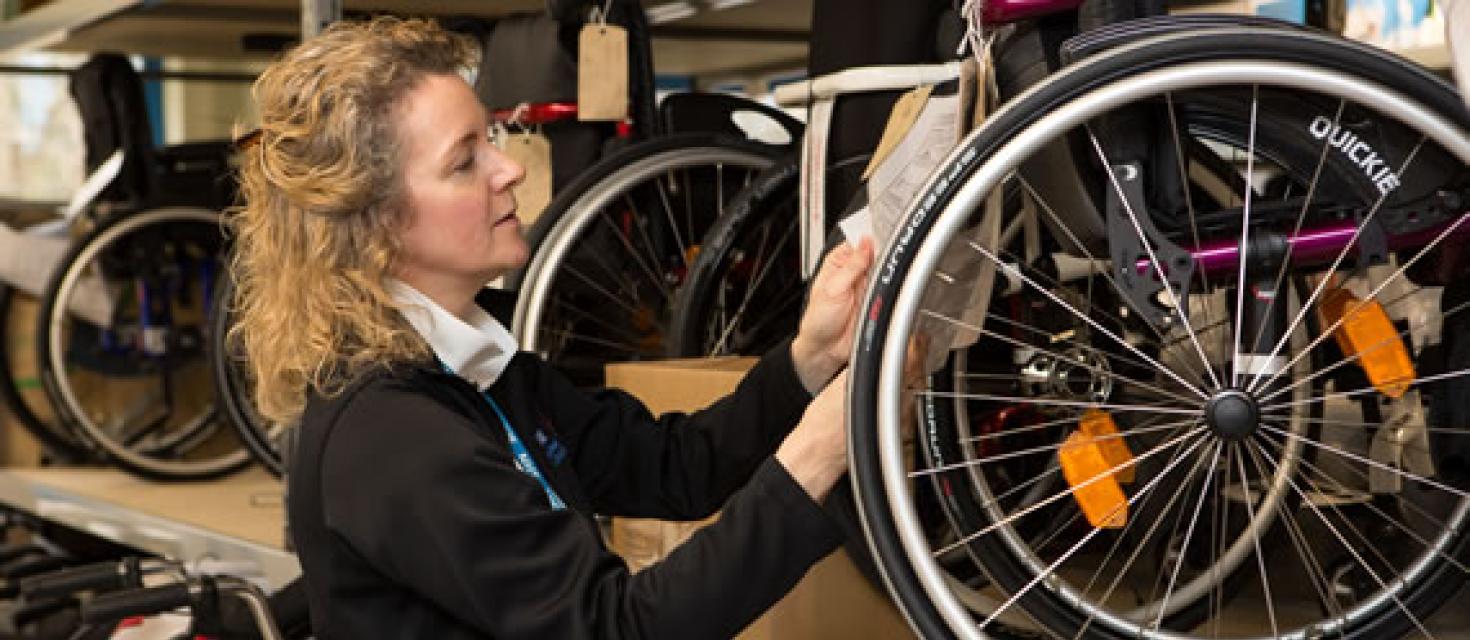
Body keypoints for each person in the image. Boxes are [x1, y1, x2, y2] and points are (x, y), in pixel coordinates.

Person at [230, 16, 875, 639]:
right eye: (464, 162)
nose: (508, 168)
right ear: (376, 223)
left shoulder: (475, 365)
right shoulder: (393, 433)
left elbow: (673, 466)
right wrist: (814, 458)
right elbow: (617, 628)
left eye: (491, 140)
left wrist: (807, 361)